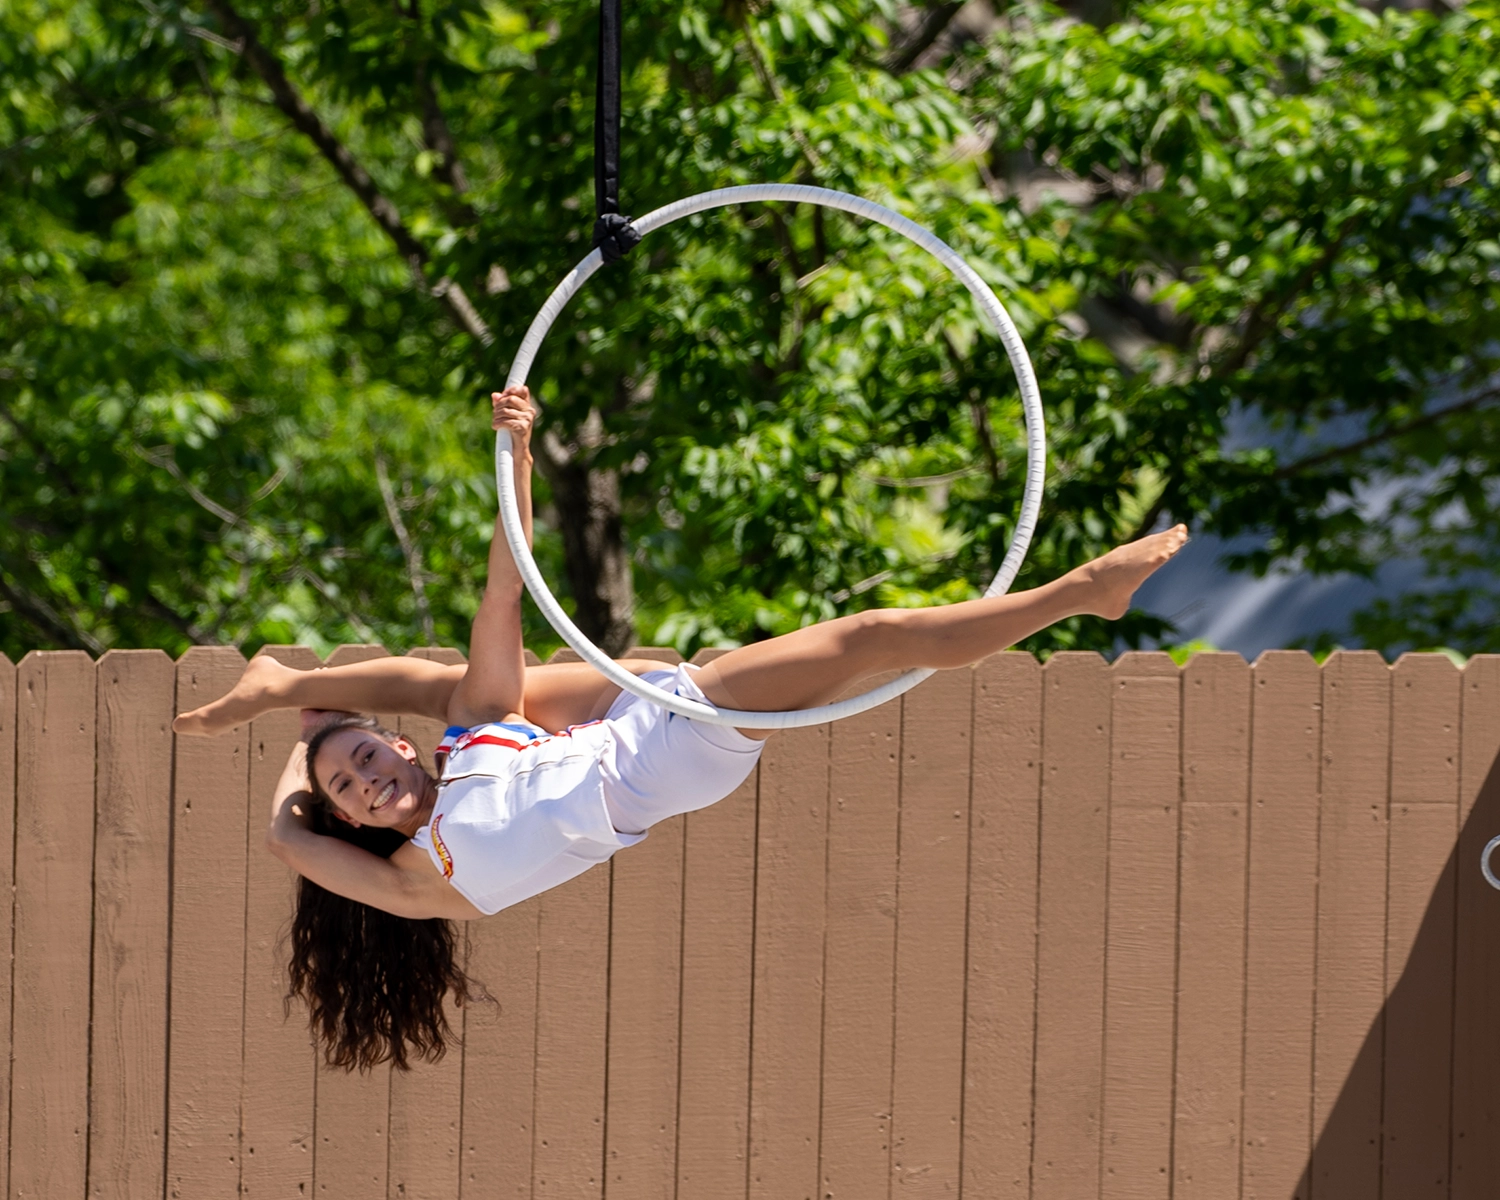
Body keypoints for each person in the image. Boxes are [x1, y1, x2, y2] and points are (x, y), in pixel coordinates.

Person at [175, 386, 1189, 1070]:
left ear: (397, 747)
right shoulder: (415, 883)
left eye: (364, 760)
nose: (365, 785)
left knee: (477, 683)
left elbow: (505, 588)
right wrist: (305, 748)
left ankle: (287, 684)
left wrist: (516, 452)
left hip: (638, 715)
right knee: (873, 635)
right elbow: (284, 838)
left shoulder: (477, 732)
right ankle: (1080, 593)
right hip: (663, 755)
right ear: (353, 823)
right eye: (350, 793)